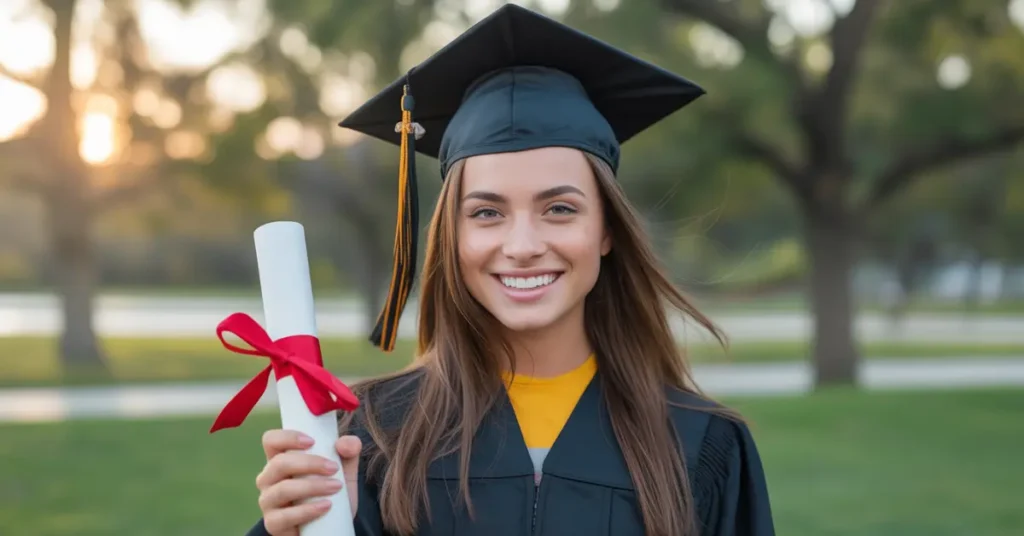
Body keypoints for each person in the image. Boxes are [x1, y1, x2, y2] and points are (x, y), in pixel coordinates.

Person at [246, 4, 774, 536]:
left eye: (560, 209)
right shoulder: (376, 436)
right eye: (487, 213)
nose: (522, 246)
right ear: (452, 237)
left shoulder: (701, 443)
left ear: (607, 230)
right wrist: (293, 529)